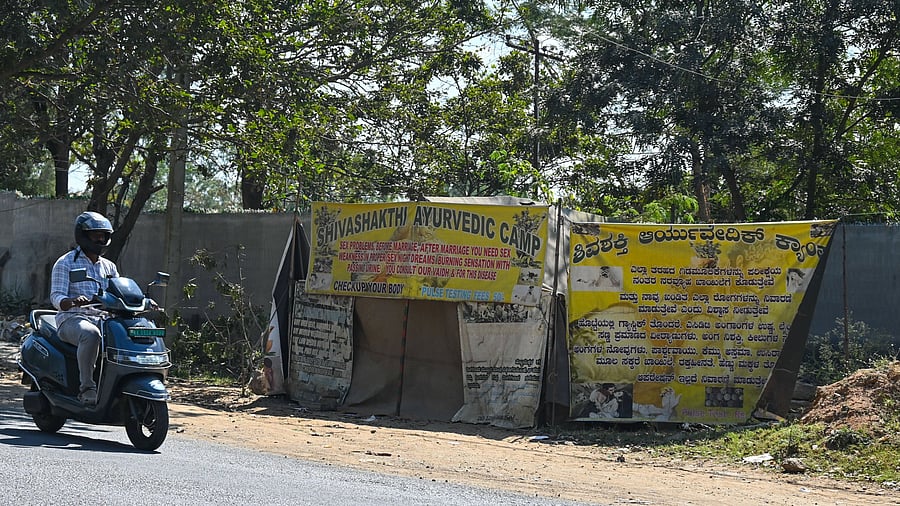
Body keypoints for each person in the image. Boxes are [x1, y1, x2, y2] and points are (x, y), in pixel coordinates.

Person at [50, 212, 119, 405]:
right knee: (91, 334)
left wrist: (144, 301)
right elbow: (56, 296)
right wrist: (71, 301)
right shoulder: (65, 263)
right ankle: (87, 388)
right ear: (83, 235)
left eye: (103, 235)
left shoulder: (109, 267)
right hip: (72, 320)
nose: (100, 239)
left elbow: (118, 292)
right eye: (95, 235)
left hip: (104, 320)